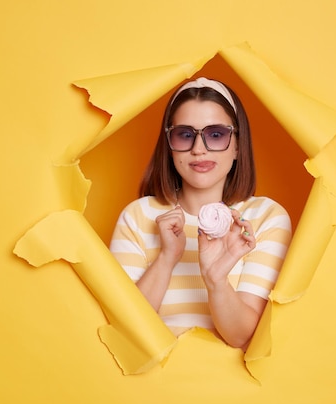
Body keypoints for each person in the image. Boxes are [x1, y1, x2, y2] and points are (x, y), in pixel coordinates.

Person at [110, 77, 292, 350]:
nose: (199, 149)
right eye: (185, 134)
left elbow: (242, 338)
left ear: (238, 147)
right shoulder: (137, 216)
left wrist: (216, 279)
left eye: (216, 134)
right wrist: (167, 258)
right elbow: (125, 330)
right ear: (169, 147)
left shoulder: (265, 217)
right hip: (149, 386)